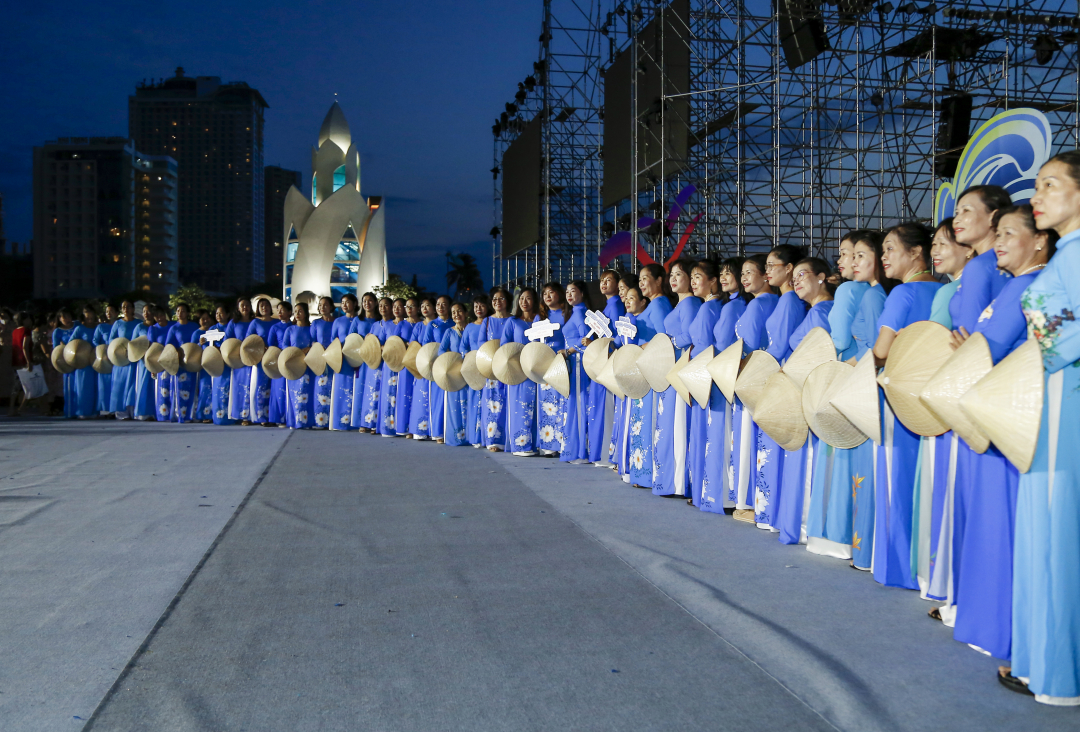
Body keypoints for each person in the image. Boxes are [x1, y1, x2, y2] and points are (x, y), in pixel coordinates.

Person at [940, 204, 1056, 664]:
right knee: (986, 520)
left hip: (1009, 419)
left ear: (1041, 240)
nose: (999, 240)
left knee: (1000, 524)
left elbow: (990, 347)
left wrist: (970, 349)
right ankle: (987, 620)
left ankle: (1001, 627)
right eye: (999, 232)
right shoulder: (1012, 286)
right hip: (988, 414)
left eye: (1010, 232)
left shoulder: (1032, 286)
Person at [1007, 150, 1080, 704]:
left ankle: (1060, 673)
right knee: (1045, 533)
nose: (1038, 194)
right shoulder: (1066, 258)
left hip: (1064, 404)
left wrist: (1039, 359)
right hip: (1045, 399)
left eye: (1051, 184)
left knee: (1058, 535)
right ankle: (1040, 660)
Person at [872, 223, 942, 590]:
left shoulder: (902, 295)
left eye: (889, 249)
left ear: (916, 253)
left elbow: (881, 353)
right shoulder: (943, 291)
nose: (884, 257)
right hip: (934, 398)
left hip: (899, 399)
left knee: (897, 479)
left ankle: (900, 565)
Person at [918, 219, 974, 608]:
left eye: (942, 243)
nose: (935, 251)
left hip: (947, 392)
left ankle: (945, 582)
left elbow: (931, 349)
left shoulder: (954, 292)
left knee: (945, 485)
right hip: (964, 390)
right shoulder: (946, 290)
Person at [776, 257, 835, 545]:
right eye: (794, 276)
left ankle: (804, 525)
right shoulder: (816, 311)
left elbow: (821, 355)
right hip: (805, 388)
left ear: (822, 277)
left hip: (810, 390)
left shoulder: (820, 313)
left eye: (803, 275)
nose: (796, 280)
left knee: (808, 460)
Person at [730, 255, 778, 521]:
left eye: (751, 272)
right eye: (743, 273)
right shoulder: (771, 302)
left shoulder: (760, 305)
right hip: (760, 374)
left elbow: (748, 344)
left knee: (749, 438)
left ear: (765, 275)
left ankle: (749, 501)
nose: (745, 277)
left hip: (751, 375)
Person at [701, 257, 749, 514]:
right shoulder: (727, 304)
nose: (724, 277)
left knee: (723, 432)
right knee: (719, 432)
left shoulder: (736, 306)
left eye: (730, 273)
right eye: (722, 273)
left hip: (727, 371)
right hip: (720, 370)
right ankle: (718, 494)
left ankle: (722, 495)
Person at [629, 264, 674, 488]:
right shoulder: (653, 305)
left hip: (652, 367)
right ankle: (641, 471)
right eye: (640, 279)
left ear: (659, 280)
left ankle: (648, 473)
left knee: (648, 420)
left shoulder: (659, 304)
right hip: (643, 366)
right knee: (641, 421)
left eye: (646, 278)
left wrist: (641, 348)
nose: (642, 283)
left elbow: (664, 338)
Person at [685, 260, 723, 506]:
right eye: (692, 277)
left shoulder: (710, 308)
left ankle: (704, 490)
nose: (693, 281)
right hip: (700, 371)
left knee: (704, 432)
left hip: (704, 373)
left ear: (713, 280)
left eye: (698, 277)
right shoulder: (707, 306)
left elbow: (708, 344)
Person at [586, 270, 626, 465]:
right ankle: (600, 452)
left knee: (605, 406)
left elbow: (618, 333)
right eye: (602, 280)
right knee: (599, 406)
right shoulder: (606, 307)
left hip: (608, 359)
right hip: (602, 357)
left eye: (608, 280)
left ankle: (605, 453)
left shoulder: (617, 305)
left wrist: (607, 345)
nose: (604, 283)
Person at [614, 281, 648, 482]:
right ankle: (625, 464)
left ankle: (629, 467)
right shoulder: (628, 319)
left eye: (632, 299)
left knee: (631, 418)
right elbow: (620, 342)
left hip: (637, 372)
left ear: (643, 302)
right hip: (628, 370)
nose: (627, 302)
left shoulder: (638, 321)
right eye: (626, 299)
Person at [501, 288, 542, 455]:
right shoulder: (512, 322)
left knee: (537, 405)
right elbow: (505, 346)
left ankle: (537, 444)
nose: (524, 302)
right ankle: (520, 444)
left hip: (537, 369)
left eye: (528, 298)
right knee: (520, 405)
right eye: (521, 299)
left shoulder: (541, 321)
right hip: (519, 371)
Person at [558, 281, 592, 463]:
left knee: (579, 402)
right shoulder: (576, 312)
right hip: (574, 363)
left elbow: (586, 338)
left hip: (579, 363)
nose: (569, 295)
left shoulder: (580, 313)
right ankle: (577, 449)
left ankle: (581, 451)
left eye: (573, 291)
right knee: (575, 402)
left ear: (582, 293)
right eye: (567, 292)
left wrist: (569, 351)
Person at [536, 283, 569, 456]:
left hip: (562, 362)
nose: (547, 296)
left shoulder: (567, 313)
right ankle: (548, 445)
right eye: (545, 293)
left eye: (552, 292)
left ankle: (563, 442)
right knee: (547, 403)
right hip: (544, 364)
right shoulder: (541, 317)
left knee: (562, 402)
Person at [482, 289, 512, 451]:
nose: (497, 301)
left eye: (501, 298)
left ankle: (507, 438)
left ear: (507, 301)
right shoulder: (487, 322)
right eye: (494, 299)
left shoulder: (513, 320)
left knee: (508, 400)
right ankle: (493, 440)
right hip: (492, 368)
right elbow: (481, 345)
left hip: (510, 367)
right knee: (493, 403)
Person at [377, 298, 409, 437]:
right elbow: (380, 344)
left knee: (403, 393)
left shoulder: (409, 324)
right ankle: (388, 427)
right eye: (394, 306)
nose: (396, 309)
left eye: (400, 306)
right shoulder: (387, 325)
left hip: (405, 364)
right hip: (390, 364)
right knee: (389, 394)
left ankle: (402, 426)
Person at [462, 295, 492, 446]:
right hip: (474, 367)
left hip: (490, 365)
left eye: (481, 306)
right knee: (474, 401)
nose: (478, 309)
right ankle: (475, 437)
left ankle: (488, 436)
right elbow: (463, 346)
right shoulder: (469, 326)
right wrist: (466, 354)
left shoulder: (491, 323)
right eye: (475, 306)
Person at [440, 302, 470, 445]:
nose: (456, 314)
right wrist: (452, 358)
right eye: (453, 312)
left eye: (459, 311)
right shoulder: (449, 332)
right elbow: (441, 350)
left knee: (469, 402)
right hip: (454, 372)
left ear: (465, 313)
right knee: (455, 404)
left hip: (470, 372)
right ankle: (457, 437)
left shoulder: (470, 329)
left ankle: (470, 436)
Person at [243, 299, 276, 426]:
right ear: (258, 308)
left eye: (267, 305)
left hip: (274, 358)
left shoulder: (276, 322)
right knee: (261, 387)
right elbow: (248, 341)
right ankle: (261, 416)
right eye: (261, 306)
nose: (264, 308)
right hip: (260, 359)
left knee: (273, 387)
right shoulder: (255, 322)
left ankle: (272, 415)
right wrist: (261, 347)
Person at [407, 298, 437, 440]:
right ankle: (419, 429)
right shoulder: (419, 326)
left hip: (437, 364)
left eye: (428, 305)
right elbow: (412, 344)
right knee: (420, 395)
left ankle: (434, 429)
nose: (425, 308)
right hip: (421, 364)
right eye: (422, 305)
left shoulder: (439, 324)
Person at [426, 296, 454, 443]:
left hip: (453, 365)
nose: (440, 306)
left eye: (444, 304)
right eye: (438, 304)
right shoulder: (432, 325)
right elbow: (427, 345)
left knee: (451, 399)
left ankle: (451, 431)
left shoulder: (454, 323)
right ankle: (438, 432)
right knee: (438, 400)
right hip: (437, 365)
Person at [350, 292, 379, 432]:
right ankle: (361, 421)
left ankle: (373, 422)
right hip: (361, 361)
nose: (367, 303)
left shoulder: (379, 321)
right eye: (364, 301)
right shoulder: (357, 320)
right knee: (361, 390)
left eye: (370, 301)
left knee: (374, 390)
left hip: (375, 361)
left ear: (375, 303)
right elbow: (351, 340)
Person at [329, 294, 359, 431]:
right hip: (341, 360)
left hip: (358, 359)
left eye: (347, 302)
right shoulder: (338, 321)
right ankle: (340, 422)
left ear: (355, 303)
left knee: (356, 388)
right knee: (341, 389)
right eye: (342, 303)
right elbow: (333, 341)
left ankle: (356, 422)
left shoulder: (361, 320)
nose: (345, 305)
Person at [283, 302, 315, 429]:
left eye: (300, 311)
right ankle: (295, 421)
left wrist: (307, 349)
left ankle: (307, 421)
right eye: (295, 311)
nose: (297, 314)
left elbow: (314, 344)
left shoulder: (311, 328)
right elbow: (284, 345)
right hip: (293, 364)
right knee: (294, 393)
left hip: (307, 364)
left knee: (306, 392)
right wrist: (294, 352)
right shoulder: (290, 329)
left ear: (306, 313)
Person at [394, 298, 422, 438]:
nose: (409, 309)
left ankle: (414, 426)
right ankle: (404, 427)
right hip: (406, 364)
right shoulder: (401, 324)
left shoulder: (423, 324)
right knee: (405, 394)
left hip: (420, 363)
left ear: (418, 308)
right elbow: (394, 343)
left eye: (413, 306)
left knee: (417, 394)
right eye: (407, 306)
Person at [108, 301, 141, 419]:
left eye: (128, 307)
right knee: (120, 386)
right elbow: (111, 340)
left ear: (133, 309)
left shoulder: (139, 323)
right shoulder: (118, 323)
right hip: (120, 361)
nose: (126, 309)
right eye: (123, 307)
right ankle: (121, 413)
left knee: (133, 385)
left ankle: (133, 411)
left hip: (133, 359)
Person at [226, 298, 254, 424]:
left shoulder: (255, 321)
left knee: (252, 386)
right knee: (239, 386)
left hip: (253, 358)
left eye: (247, 305)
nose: (245, 307)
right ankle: (241, 415)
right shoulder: (233, 323)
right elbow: (227, 340)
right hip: (238, 361)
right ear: (238, 308)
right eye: (242, 305)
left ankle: (252, 415)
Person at [309, 296, 336, 429]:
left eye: (325, 305)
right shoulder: (315, 323)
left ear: (331, 307)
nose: (322, 307)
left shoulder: (336, 322)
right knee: (320, 389)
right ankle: (320, 420)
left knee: (332, 388)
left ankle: (332, 419)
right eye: (320, 305)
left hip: (335, 358)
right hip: (320, 358)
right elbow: (312, 340)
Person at [207, 305, 234, 426]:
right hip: (217, 362)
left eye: (221, 313)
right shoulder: (212, 329)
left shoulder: (231, 326)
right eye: (217, 313)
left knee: (229, 387)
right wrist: (203, 344)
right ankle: (218, 417)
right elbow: (206, 346)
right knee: (217, 388)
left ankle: (231, 416)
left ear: (228, 314)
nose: (218, 315)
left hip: (229, 363)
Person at [147, 305, 174, 421]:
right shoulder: (153, 329)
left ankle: (174, 413)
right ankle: (162, 414)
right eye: (156, 316)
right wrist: (152, 366)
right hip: (160, 363)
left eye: (161, 315)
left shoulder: (173, 326)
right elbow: (151, 348)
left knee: (173, 387)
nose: (160, 317)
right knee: (162, 388)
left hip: (173, 360)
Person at [268, 301, 293, 427]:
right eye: (278, 310)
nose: (279, 312)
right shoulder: (275, 327)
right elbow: (271, 345)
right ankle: (280, 418)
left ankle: (291, 417)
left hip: (293, 361)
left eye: (282, 310)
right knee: (279, 389)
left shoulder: (294, 326)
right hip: (279, 361)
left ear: (290, 312)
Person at [190, 309, 215, 423]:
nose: (205, 321)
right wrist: (199, 343)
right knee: (204, 387)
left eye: (207, 318)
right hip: (202, 365)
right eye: (202, 319)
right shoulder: (196, 333)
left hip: (214, 363)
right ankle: (203, 414)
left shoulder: (215, 331)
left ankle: (215, 412)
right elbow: (192, 349)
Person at [92, 306, 113, 417]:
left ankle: (115, 409)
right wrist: (102, 349)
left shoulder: (119, 324)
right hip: (104, 359)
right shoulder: (101, 327)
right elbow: (95, 340)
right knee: (104, 385)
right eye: (107, 311)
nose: (108, 313)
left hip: (118, 359)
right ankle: (105, 410)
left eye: (111, 311)